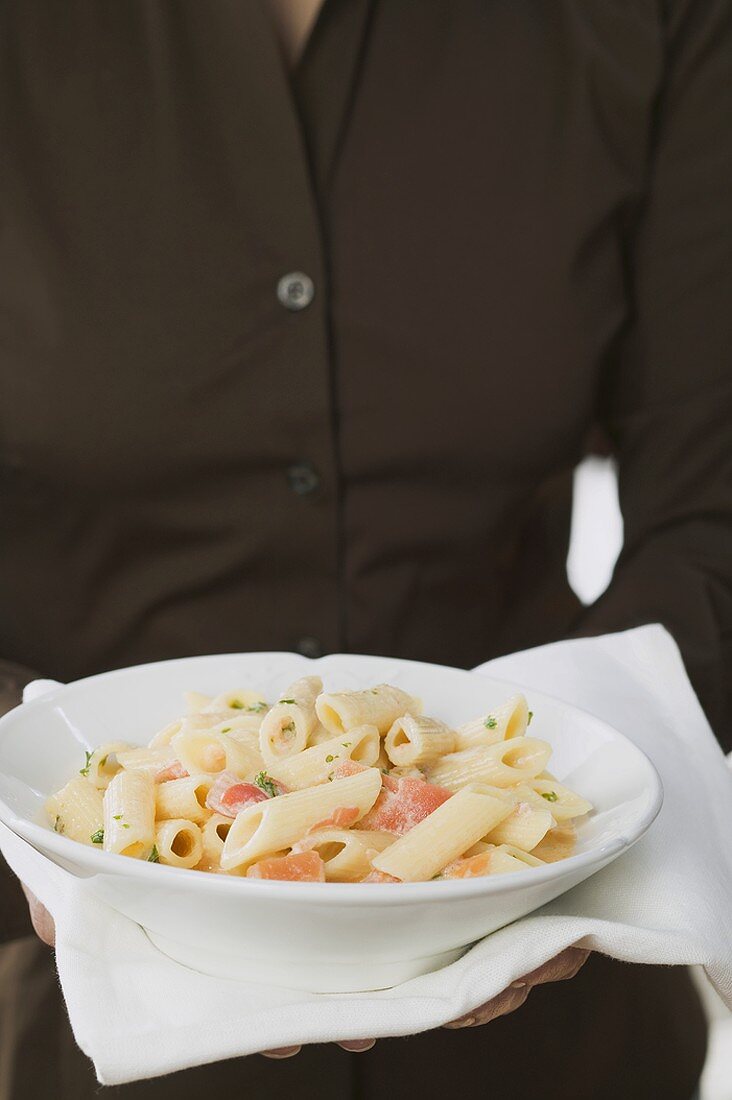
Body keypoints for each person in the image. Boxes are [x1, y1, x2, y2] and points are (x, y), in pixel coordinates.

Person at [1, 1, 728, 1097]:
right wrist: (25, 820)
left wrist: (578, 796)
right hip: (65, 1017)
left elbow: (714, 499)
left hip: (559, 1008)